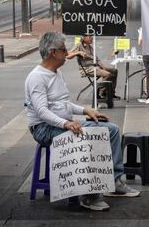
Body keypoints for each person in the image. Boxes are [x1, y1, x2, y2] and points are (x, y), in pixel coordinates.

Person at [25, 32, 139, 211]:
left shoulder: (57, 73)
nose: (67, 54)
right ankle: (89, 195)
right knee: (90, 136)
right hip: (44, 128)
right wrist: (67, 124)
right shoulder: (37, 77)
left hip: (62, 122)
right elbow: (42, 111)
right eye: (64, 50)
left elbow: (65, 103)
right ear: (53, 52)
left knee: (112, 129)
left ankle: (114, 181)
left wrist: (85, 110)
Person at [67, 34, 120, 99]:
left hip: (96, 66)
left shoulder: (90, 47)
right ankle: (102, 93)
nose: (91, 38)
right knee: (107, 74)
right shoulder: (79, 45)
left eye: (91, 36)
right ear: (84, 38)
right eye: (89, 37)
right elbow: (68, 56)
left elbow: (97, 59)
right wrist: (78, 52)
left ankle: (111, 93)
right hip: (87, 69)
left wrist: (104, 67)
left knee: (114, 71)